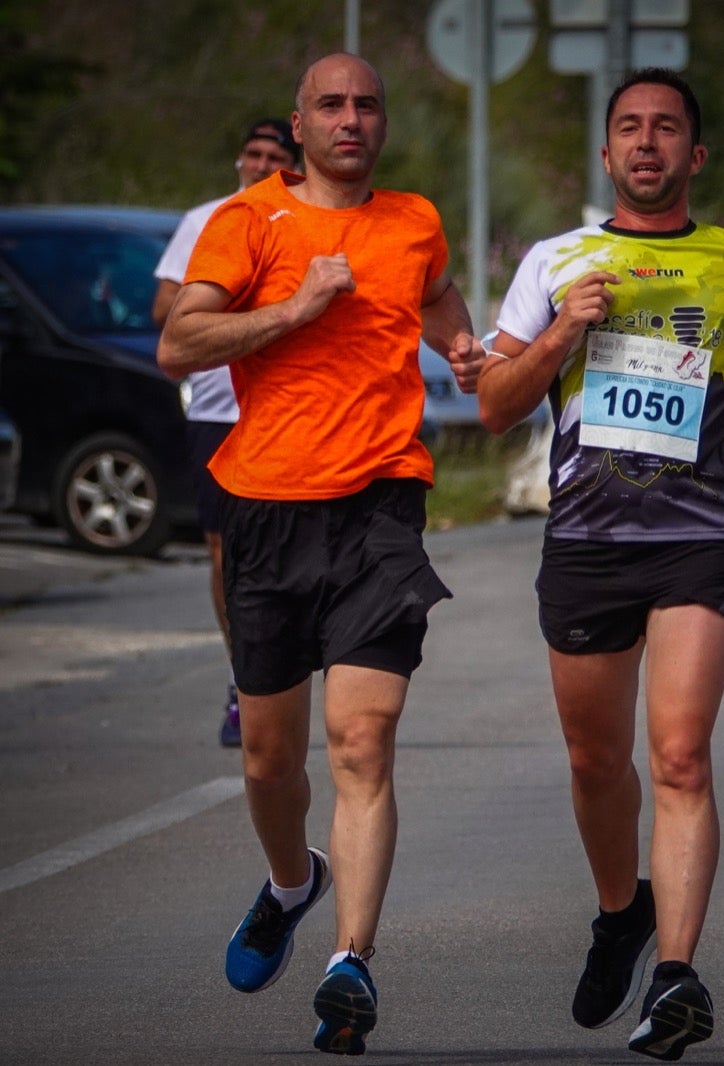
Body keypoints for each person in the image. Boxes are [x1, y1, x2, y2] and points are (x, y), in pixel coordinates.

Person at [157, 53, 485, 1056]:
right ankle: (293, 883)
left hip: (384, 502)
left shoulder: (414, 221)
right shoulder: (248, 221)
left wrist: (465, 349)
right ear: (300, 125)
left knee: (361, 739)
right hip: (264, 504)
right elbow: (179, 344)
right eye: (331, 105)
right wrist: (296, 309)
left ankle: (351, 964)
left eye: (366, 105)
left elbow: (439, 305)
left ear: (382, 123)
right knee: (270, 757)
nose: (351, 119)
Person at [477, 68, 724, 1061]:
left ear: (695, 156)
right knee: (593, 760)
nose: (648, 143)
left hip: (697, 536)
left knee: (680, 756)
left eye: (667, 129)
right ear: (607, 154)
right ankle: (621, 910)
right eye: (630, 129)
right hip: (584, 541)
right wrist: (567, 327)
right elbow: (493, 401)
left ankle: (675, 975)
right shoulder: (555, 259)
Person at [151, 118, 298, 748]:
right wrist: (243, 298)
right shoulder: (206, 220)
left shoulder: (299, 216)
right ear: (239, 159)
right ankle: (242, 678)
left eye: (274, 155)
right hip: (216, 407)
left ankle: (282, 673)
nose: (261, 162)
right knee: (222, 549)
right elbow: (165, 309)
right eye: (253, 152)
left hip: (281, 402)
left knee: (289, 545)